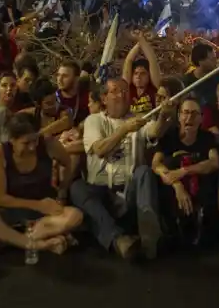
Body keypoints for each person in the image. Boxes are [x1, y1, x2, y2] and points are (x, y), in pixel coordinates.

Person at [69, 78, 173, 260]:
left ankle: (150, 239)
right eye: (116, 91)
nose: (123, 95)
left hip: (128, 194)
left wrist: (164, 116)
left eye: (126, 91)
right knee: (77, 188)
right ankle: (118, 239)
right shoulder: (93, 121)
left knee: (144, 173)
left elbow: (155, 131)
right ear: (104, 98)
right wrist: (124, 130)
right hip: (102, 194)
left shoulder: (137, 120)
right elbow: (100, 149)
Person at [0, 112, 84, 255]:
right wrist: (38, 205)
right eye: (26, 143)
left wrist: (62, 193)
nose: (32, 147)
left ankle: (9, 240)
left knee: (75, 216)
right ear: (12, 140)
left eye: (35, 140)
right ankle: (38, 244)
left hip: (43, 217)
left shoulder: (49, 144)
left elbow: (67, 163)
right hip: (10, 213)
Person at [152, 96, 219, 246]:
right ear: (179, 116)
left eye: (195, 114)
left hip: (200, 190)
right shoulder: (169, 136)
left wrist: (184, 171)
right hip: (172, 191)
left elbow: (215, 162)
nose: (189, 117)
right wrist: (176, 184)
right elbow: (156, 164)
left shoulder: (207, 137)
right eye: (186, 112)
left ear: (201, 118)